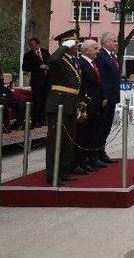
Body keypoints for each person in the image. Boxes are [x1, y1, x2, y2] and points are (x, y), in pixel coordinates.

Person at [44, 37, 82, 185]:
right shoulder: (58, 59)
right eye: (74, 44)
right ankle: (52, 175)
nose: (76, 46)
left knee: (67, 141)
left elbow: (76, 85)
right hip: (58, 104)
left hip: (70, 104)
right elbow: (51, 61)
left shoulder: (73, 60)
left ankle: (63, 172)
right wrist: (64, 47)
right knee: (55, 141)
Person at [72, 40, 104, 175]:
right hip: (85, 105)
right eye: (95, 48)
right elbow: (81, 85)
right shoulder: (81, 63)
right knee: (81, 134)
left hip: (94, 104)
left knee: (90, 134)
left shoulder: (92, 63)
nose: (97, 51)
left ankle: (85, 160)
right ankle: (77, 162)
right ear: (86, 50)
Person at [95, 32, 120, 165]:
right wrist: (103, 96)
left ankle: (102, 151)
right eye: (114, 40)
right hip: (105, 98)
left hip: (112, 97)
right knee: (101, 126)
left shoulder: (111, 56)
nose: (116, 43)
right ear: (105, 42)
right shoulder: (101, 56)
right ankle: (96, 153)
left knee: (107, 126)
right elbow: (101, 79)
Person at [22, 37, 51, 127]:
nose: (32, 47)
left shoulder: (45, 51)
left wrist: (48, 66)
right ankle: (36, 121)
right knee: (37, 101)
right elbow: (25, 68)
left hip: (46, 81)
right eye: (31, 46)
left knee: (45, 101)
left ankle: (43, 120)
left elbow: (50, 62)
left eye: (33, 45)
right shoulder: (28, 55)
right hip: (37, 82)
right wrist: (39, 67)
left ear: (38, 44)